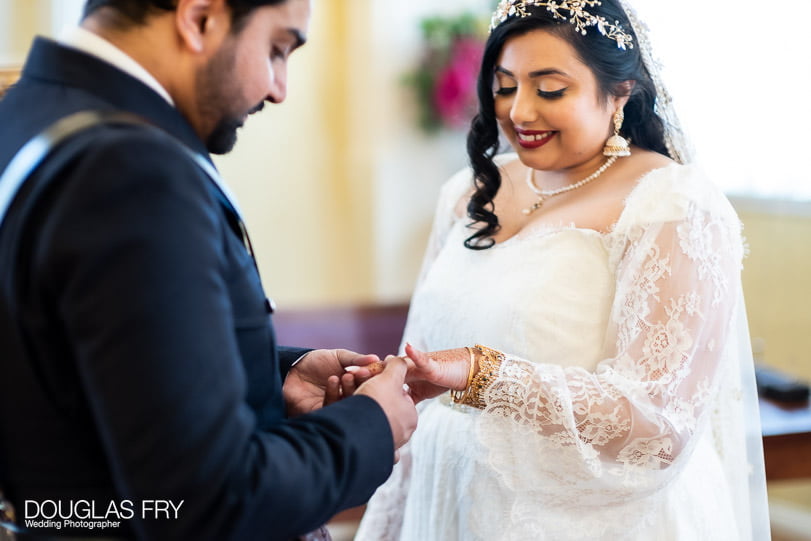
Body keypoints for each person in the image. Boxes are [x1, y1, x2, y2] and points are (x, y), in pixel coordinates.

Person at [0, 1, 418, 540]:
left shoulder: (25, 115)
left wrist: (270, 378)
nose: (278, 88)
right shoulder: (133, 170)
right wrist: (370, 427)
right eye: (276, 49)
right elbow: (208, 504)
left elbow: (83, 363)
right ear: (200, 18)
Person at [355, 0, 770, 539]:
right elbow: (417, 373)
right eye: (505, 86)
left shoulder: (672, 203)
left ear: (620, 92)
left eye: (549, 89)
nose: (520, 112)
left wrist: (484, 373)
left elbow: (658, 425)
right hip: (448, 509)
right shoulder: (467, 192)